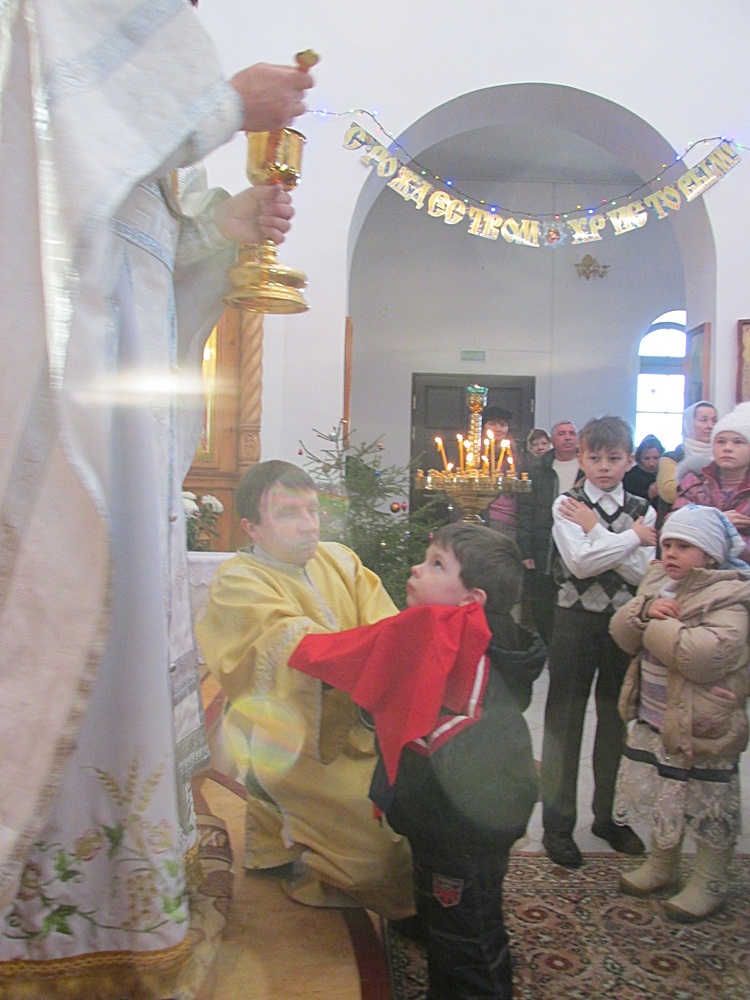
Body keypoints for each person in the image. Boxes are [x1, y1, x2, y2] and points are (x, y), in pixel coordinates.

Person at [0, 2, 313, 995]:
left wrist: (222, 229)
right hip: (59, 420)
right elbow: (46, 155)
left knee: (122, 627)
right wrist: (221, 105)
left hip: (123, 423)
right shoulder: (45, 20)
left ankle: (115, 906)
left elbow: (141, 261)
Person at [290, 523, 545, 1000]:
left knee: (468, 941)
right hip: (443, 827)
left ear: (472, 599)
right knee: (446, 927)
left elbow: (445, 738)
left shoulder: (472, 662)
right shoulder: (449, 635)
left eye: (437, 565)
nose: (416, 568)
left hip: (463, 834)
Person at [195, 461, 415, 918]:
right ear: (251, 528)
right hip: (295, 741)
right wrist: (363, 658)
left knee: (421, 812)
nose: (308, 525)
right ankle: (303, 855)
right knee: (382, 855)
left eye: (313, 510)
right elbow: (292, 648)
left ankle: (292, 843)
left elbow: (387, 628)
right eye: (288, 513)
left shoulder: (341, 560)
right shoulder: (239, 579)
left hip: (360, 727)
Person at [610, 505, 750, 922]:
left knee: (708, 802)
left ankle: (710, 879)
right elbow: (621, 634)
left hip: (703, 723)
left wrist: (652, 626)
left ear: (710, 555)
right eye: (667, 543)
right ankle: (662, 863)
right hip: (657, 715)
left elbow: (701, 657)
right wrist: (642, 612)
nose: (670, 552)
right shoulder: (658, 583)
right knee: (665, 791)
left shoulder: (730, 596)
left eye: (684, 546)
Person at [540, 416, 657, 868]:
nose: (604, 466)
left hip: (623, 625)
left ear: (629, 461)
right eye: (595, 457)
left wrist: (599, 534)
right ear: (582, 460)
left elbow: (643, 573)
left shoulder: (643, 508)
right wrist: (629, 539)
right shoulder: (567, 504)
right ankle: (557, 825)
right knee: (564, 721)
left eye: (614, 458)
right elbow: (581, 565)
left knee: (616, 718)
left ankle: (609, 818)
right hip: (573, 622)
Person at [516, 419, 581, 643]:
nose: (568, 437)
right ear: (553, 440)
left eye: (572, 433)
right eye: (562, 434)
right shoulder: (538, 470)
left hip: (577, 541)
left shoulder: (586, 468)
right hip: (544, 544)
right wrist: (526, 551)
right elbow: (525, 511)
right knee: (542, 601)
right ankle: (549, 644)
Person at [672, 403, 750, 563]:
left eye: (738, 442)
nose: (727, 448)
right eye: (721, 441)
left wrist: (710, 533)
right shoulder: (694, 483)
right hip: (698, 571)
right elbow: (674, 528)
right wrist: (720, 522)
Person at [656, 400, 717, 527]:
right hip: (678, 525)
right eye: (703, 420)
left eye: (714, 420)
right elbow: (669, 492)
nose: (710, 426)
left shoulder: (722, 457)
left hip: (713, 525)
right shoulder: (672, 457)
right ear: (688, 423)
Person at [482, 406, 522, 538]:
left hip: (512, 518)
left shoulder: (517, 453)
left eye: (503, 424)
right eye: (492, 424)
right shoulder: (475, 454)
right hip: (487, 515)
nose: (498, 429)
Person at [623, 433, 664, 508]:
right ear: (639, 458)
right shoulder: (630, 477)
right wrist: (648, 494)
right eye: (646, 458)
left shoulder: (667, 473)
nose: (651, 463)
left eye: (656, 458)